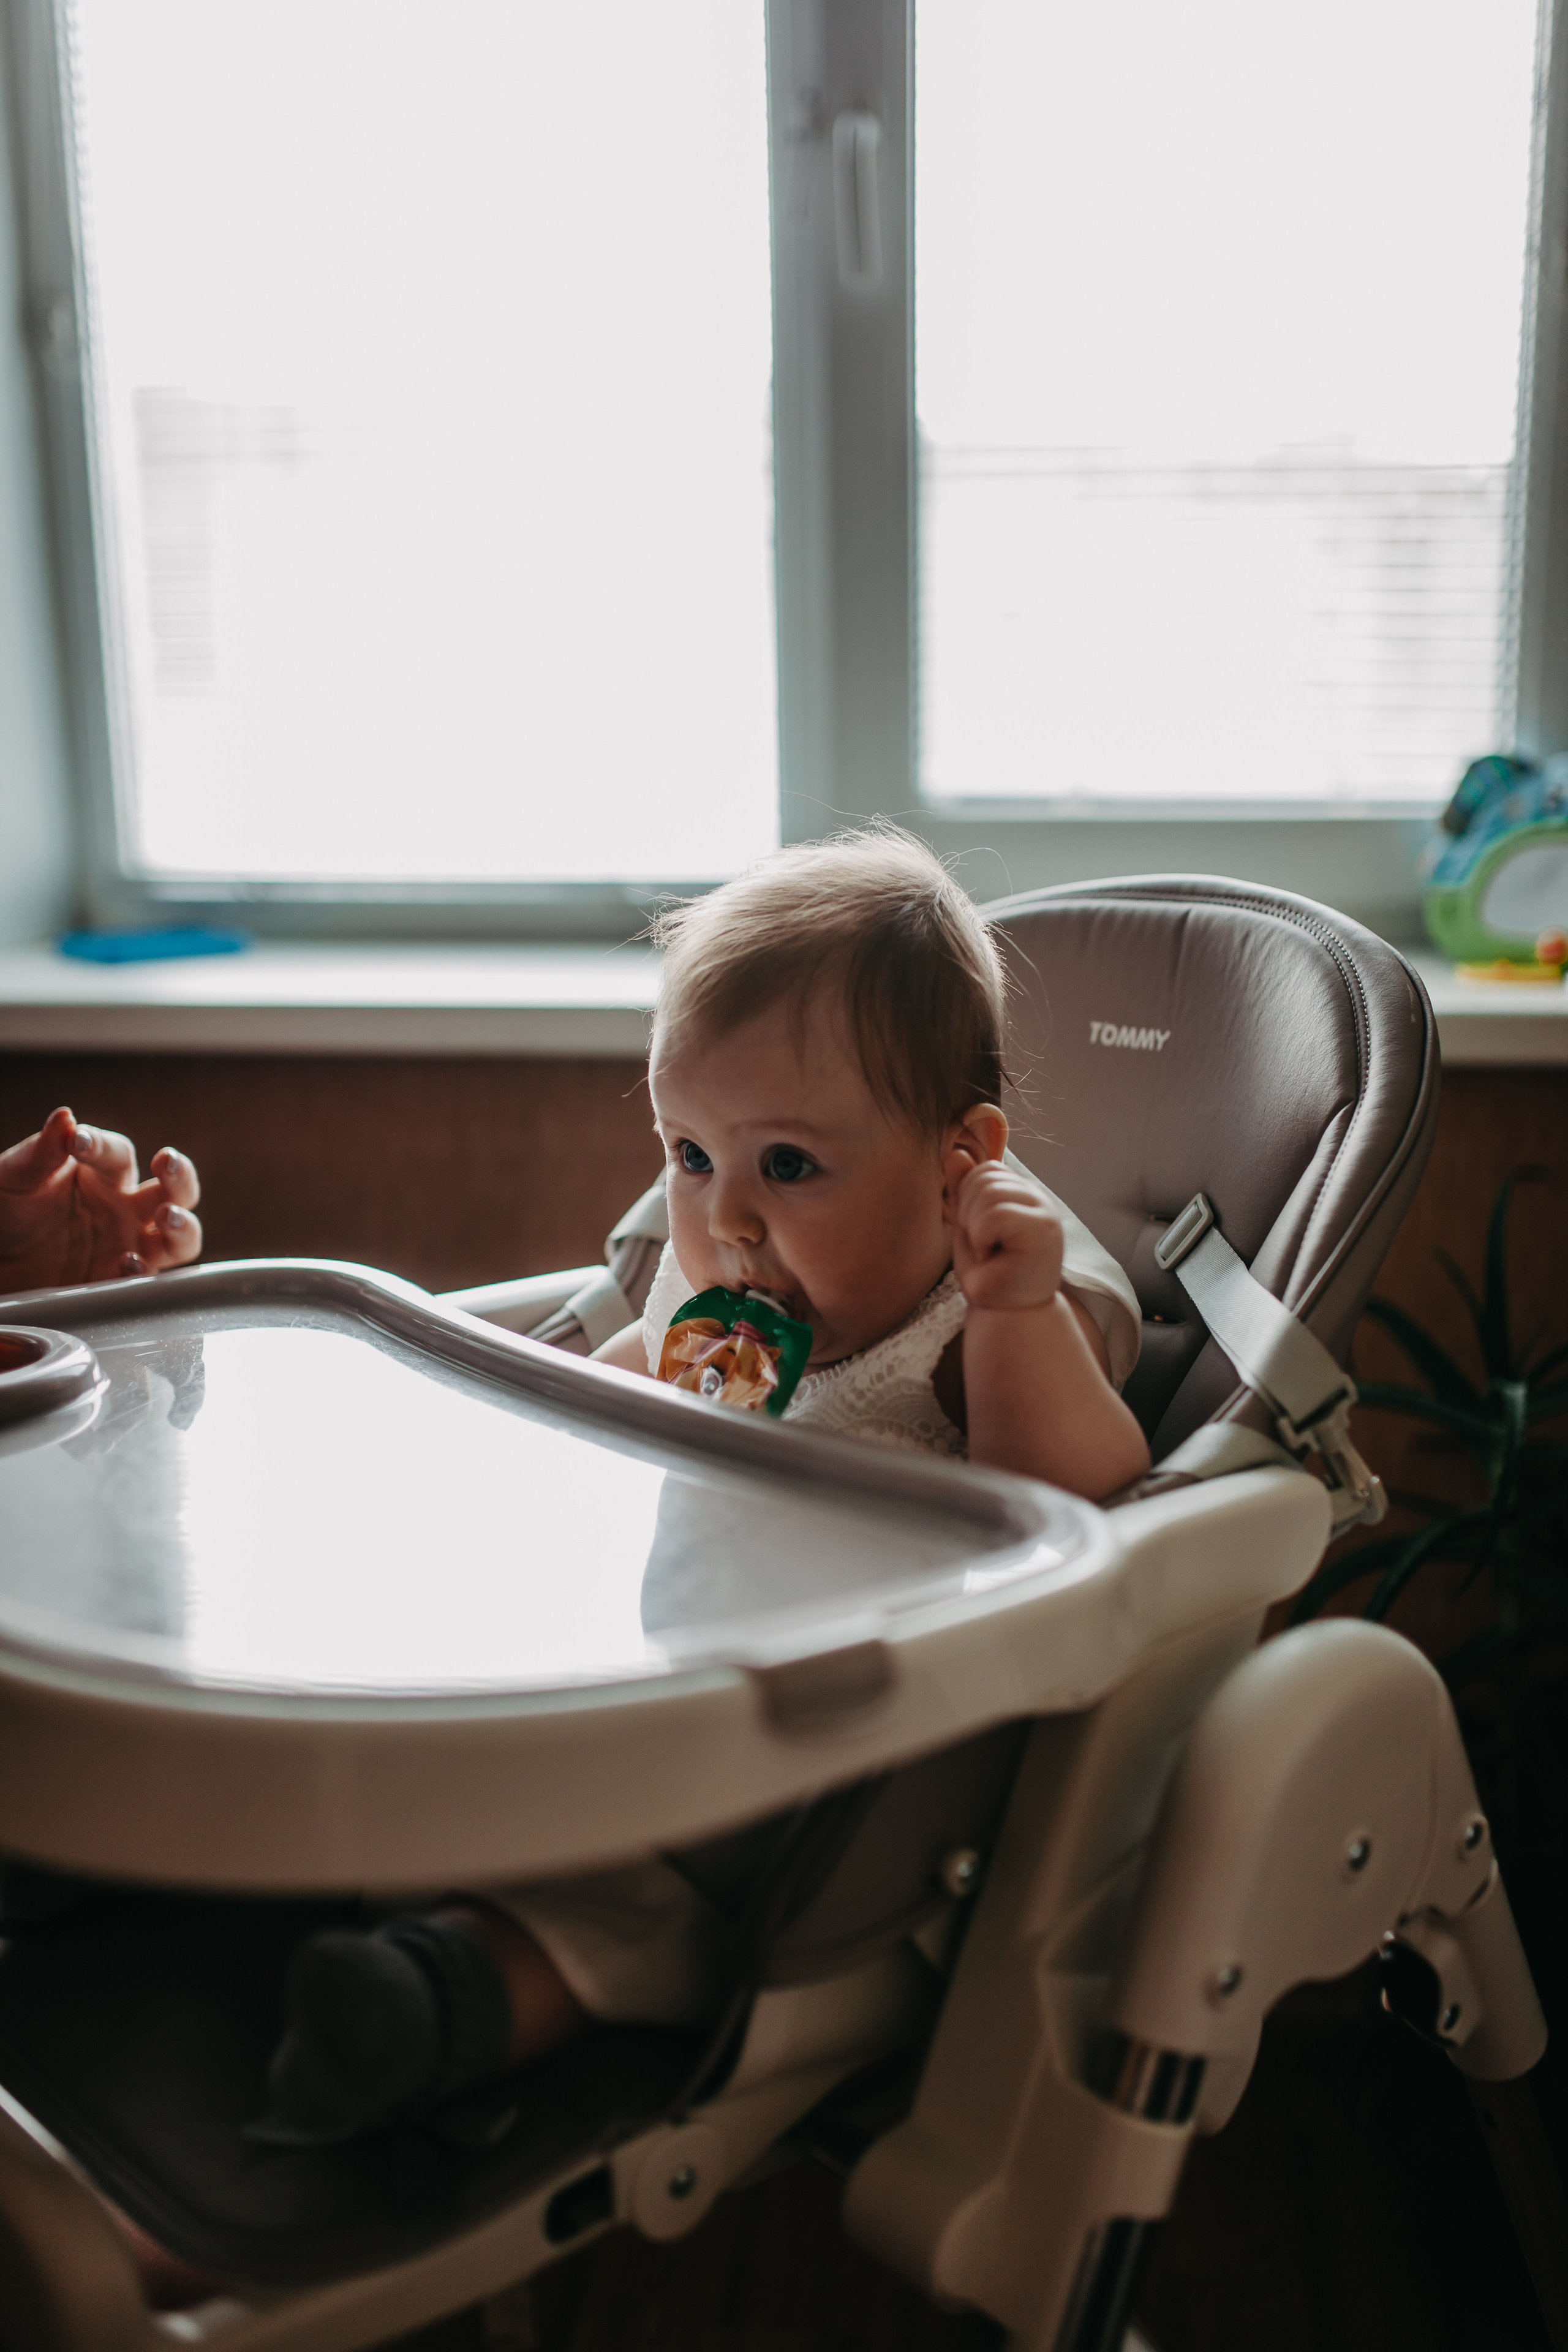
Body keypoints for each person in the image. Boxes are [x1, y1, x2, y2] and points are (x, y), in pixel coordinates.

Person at [0, 831, 1150, 2152]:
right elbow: (590, 1405)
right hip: (632, 1656)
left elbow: (1075, 1505)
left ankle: (449, 2003)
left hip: (794, 1750)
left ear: (958, 1162)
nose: (727, 1218)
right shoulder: (706, 1280)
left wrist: (1015, 1310)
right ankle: (138, 1852)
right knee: (384, 1715)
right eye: (688, 1151)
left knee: (636, 1900)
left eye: (787, 1163)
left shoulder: (981, 1313)